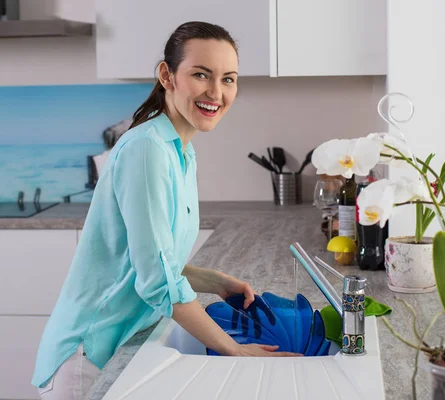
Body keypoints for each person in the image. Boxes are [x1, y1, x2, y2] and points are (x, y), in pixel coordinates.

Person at [32, 21, 301, 400]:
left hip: (119, 344)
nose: (216, 92)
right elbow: (158, 281)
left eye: (228, 79)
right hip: (89, 357)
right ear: (167, 75)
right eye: (201, 75)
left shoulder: (179, 149)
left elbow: (149, 259)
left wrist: (217, 282)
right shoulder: (148, 149)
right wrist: (236, 350)